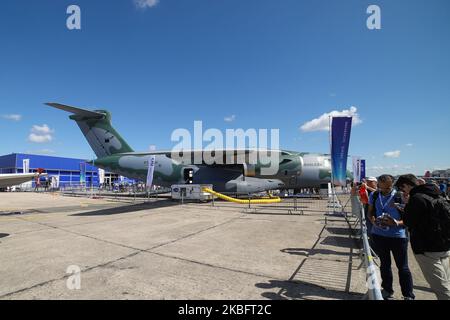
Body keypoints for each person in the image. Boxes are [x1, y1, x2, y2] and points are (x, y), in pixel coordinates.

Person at [395, 174, 450, 300]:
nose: (403, 191)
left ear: (407, 185)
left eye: (402, 188)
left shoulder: (416, 198)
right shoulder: (439, 193)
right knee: (446, 281)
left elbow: (408, 221)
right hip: (444, 243)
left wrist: (406, 205)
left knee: (441, 287)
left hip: (426, 247)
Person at [368, 174, 415, 300]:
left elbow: (410, 218)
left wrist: (396, 223)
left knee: (403, 267)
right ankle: (387, 290)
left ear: (392, 185)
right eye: (381, 188)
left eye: (387, 189)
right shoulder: (375, 195)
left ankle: (408, 295)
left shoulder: (401, 196)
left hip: (398, 237)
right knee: (384, 265)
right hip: (379, 235)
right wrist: (373, 221)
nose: (383, 191)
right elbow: (370, 211)